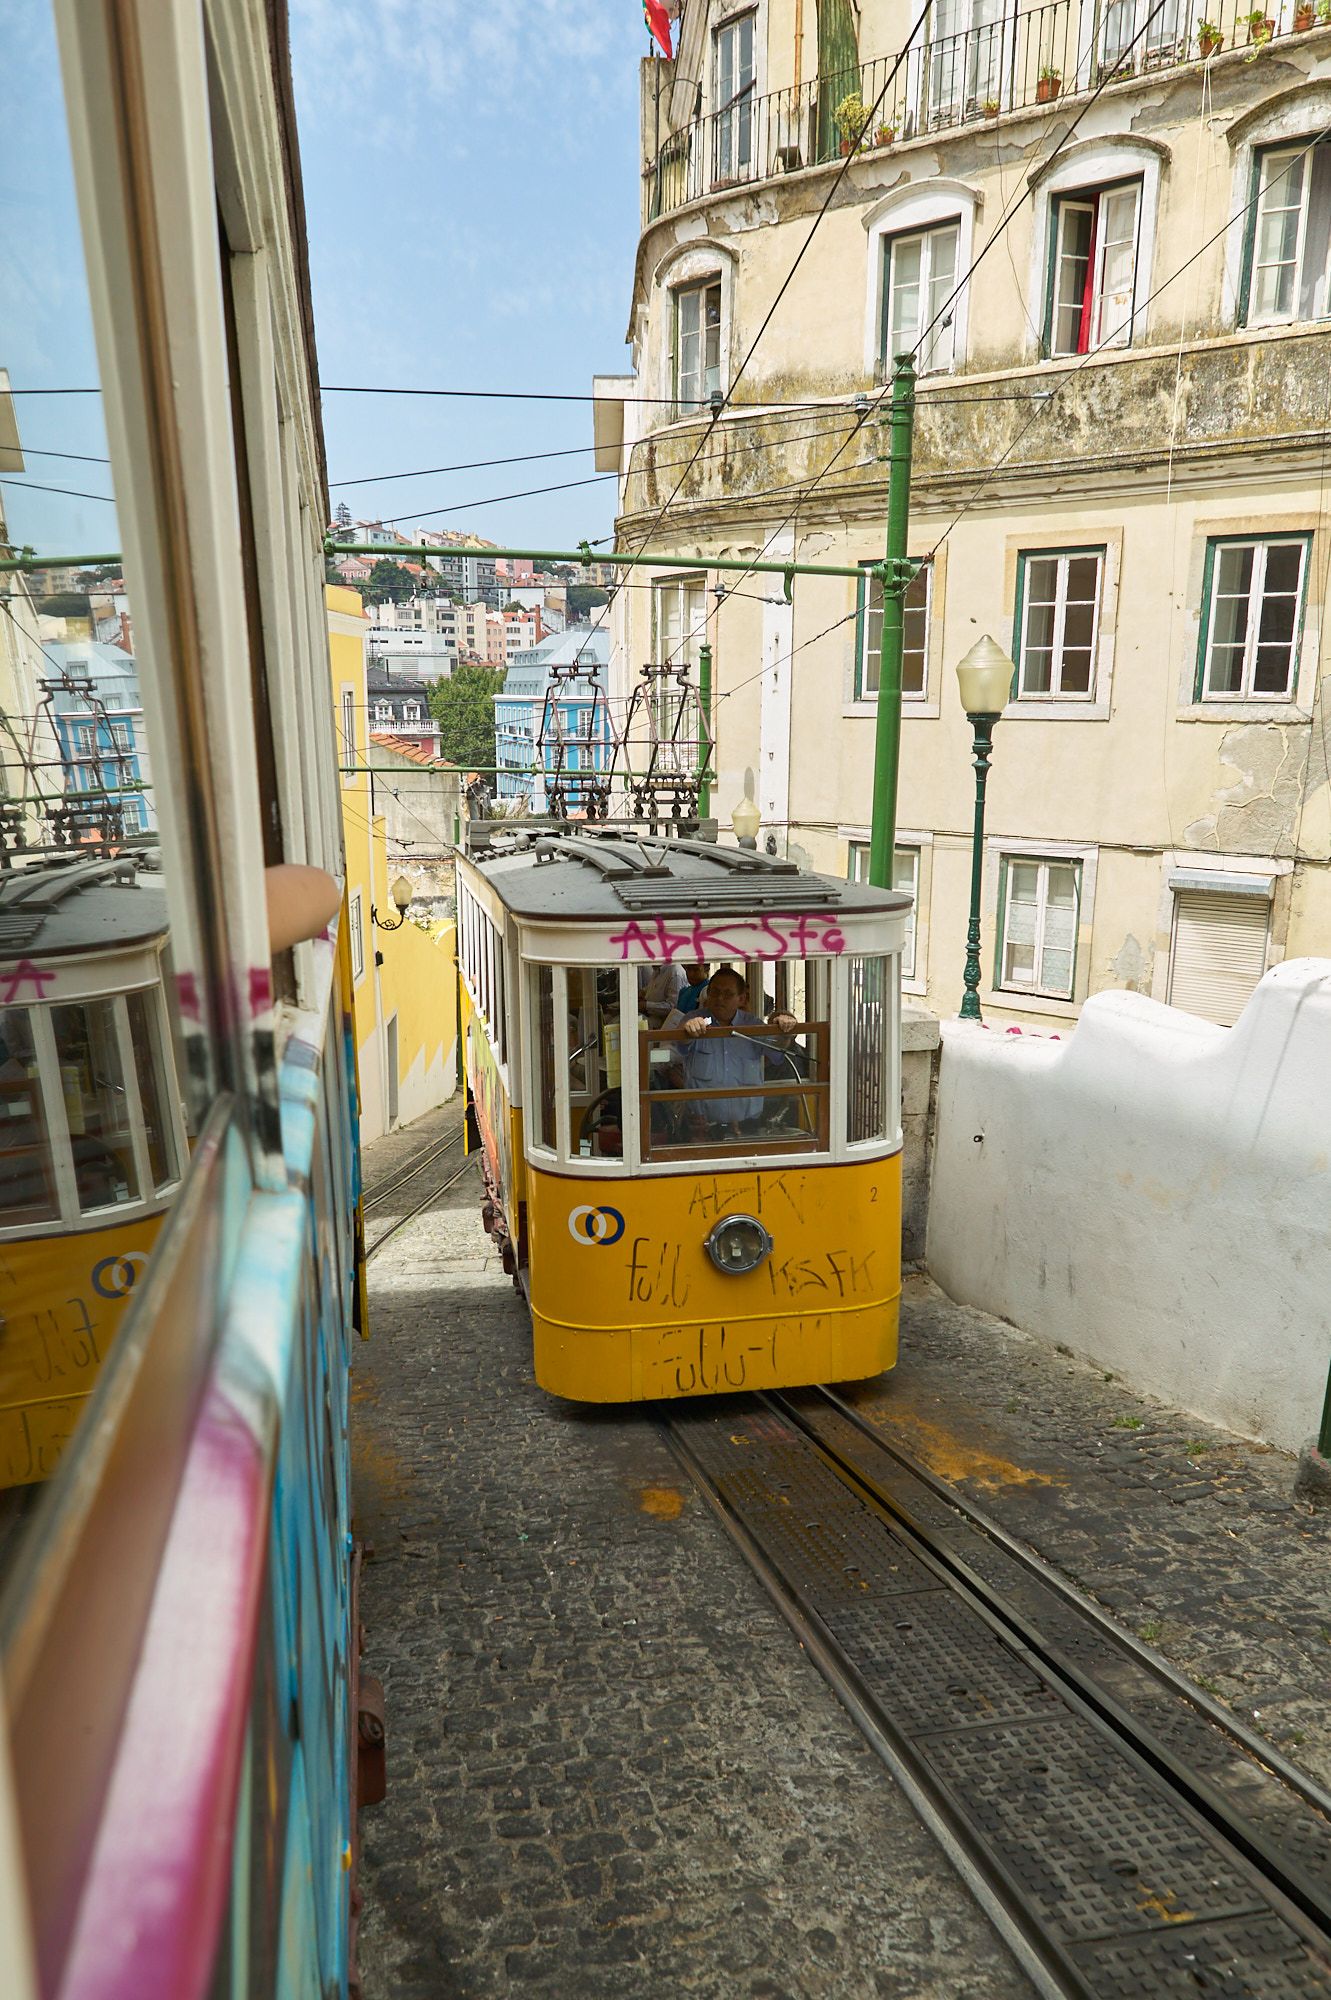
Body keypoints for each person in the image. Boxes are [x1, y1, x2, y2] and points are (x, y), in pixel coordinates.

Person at [674, 967, 797, 1135]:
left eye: (728, 994)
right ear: (707, 994)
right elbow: (681, 1040)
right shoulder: (694, 1020)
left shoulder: (753, 1026)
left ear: (741, 998)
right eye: (715, 992)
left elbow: (777, 1052)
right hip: (702, 1129)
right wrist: (690, 1028)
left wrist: (784, 1026)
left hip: (747, 1127)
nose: (719, 998)